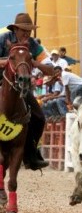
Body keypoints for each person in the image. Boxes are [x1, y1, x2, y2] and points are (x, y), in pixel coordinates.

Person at [0, 13, 55, 170]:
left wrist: (33, 62)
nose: (27, 34)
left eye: (29, 31)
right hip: (0, 82)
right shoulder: (3, 39)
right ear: (15, 29)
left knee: (39, 118)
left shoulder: (34, 45)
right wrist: (10, 61)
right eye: (24, 30)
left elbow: (50, 69)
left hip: (21, 88)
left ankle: (31, 155)